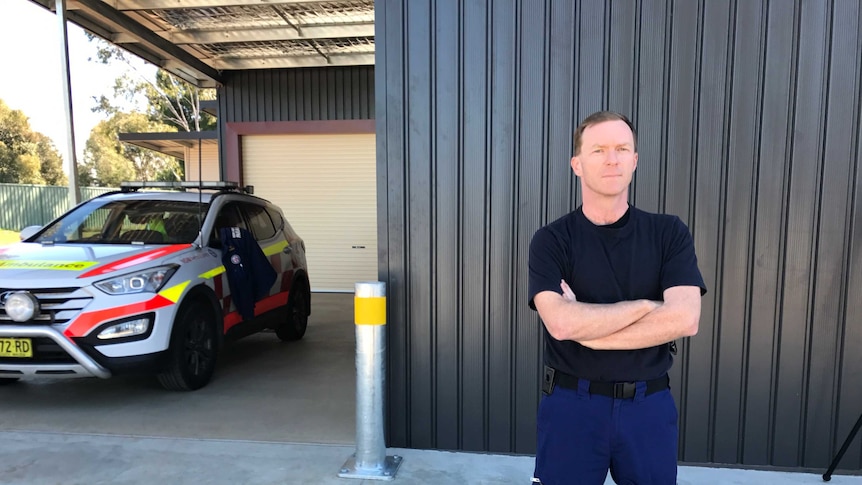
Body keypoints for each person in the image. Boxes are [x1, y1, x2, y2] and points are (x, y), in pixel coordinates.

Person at [528, 111, 706, 485]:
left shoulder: (668, 233)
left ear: (635, 160)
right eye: (599, 150)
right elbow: (560, 323)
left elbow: (685, 319)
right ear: (577, 164)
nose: (612, 159)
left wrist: (584, 324)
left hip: (648, 409)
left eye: (622, 148)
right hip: (571, 408)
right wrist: (646, 306)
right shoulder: (551, 240)